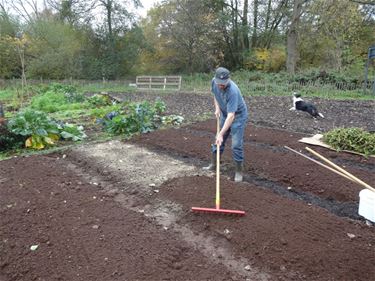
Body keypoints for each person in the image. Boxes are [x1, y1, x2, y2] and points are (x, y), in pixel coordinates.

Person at [203, 67, 248, 182]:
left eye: (223, 83)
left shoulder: (233, 91)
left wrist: (221, 133)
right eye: (219, 83)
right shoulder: (214, 82)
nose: (221, 85)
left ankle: (238, 171)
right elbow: (215, 95)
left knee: (236, 144)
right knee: (217, 141)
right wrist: (217, 108)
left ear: (228, 79)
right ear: (216, 79)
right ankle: (214, 164)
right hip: (224, 113)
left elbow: (231, 116)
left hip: (237, 116)